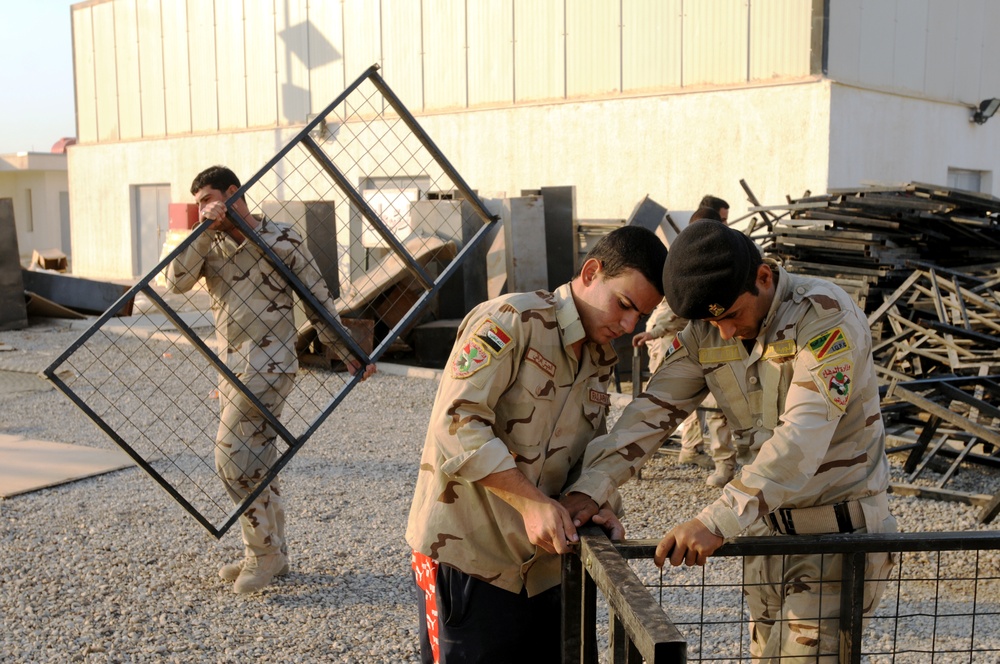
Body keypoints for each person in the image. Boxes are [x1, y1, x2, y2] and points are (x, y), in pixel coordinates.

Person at [566, 220, 895, 661]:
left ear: (763, 277)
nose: (722, 332)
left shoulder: (824, 317)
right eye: (710, 321)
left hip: (836, 543)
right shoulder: (709, 326)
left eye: (732, 316)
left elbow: (802, 437)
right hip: (763, 537)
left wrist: (715, 520)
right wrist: (592, 488)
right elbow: (653, 411)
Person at [405, 226, 666, 663]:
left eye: (640, 316)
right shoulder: (509, 321)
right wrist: (530, 504)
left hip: (547, 572)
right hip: (471, 560)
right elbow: (456, 422)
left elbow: (587, 449)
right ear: (591, 271)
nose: (627, 325)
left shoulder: (599, 356)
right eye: (624, 304)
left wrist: (598, 502)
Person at [166, 165, 376, 594]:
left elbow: (317, 295)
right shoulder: (209, 243)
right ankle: (269, 552)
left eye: (210, 198)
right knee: (257, 456)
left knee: (232, 459)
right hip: (232, 369)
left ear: (233, 192)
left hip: (272, 363)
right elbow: (175, 283)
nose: (205, 208)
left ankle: (263, 554)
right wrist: (204, 230)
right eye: (199, 203)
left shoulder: (282, 237)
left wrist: (346, 351)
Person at [632, 201, 735, 486]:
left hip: (692, 334)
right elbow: (676, 307)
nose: (726, 226)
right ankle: (690, 451)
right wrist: (653, 334)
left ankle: (707, 457)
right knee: (676, 398)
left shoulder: (717, 253)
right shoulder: (688, 257)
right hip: (668, 335)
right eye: (722, 221)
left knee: (715, 402)